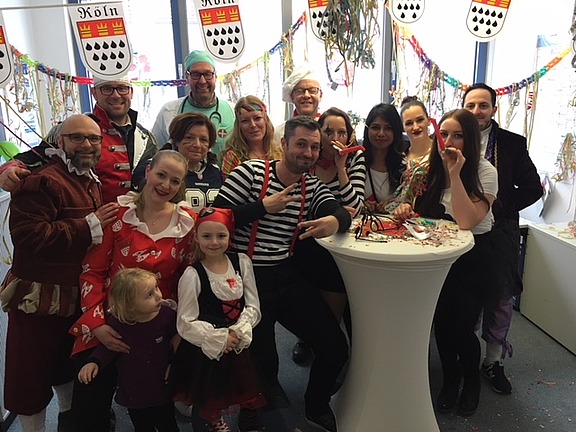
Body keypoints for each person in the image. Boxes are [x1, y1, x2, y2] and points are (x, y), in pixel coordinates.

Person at [213, 116, 351, 432]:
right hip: (245, 276)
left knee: (334, 346)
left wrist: (334, 221)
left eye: (314, 147)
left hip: (286, 273)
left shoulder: (311, 185)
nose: (308, 153)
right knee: (259, 355)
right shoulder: (250, 173)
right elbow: (214, 218)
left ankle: (316, 405)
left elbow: (341, 211)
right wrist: (263, 207)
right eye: (301, 144)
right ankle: (252, 407)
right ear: (284, 144)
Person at [0, 115, 118, 432]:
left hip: (74, 294)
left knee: (65, 365)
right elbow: (29, 237)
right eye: (77, 138)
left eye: (94, 139)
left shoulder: (87, 179)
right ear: (60, 141)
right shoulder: (42, 180)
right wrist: (90, 225)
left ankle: (68, 422)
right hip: (38, 298)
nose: (87, 145)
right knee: (31, 375)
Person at [69, 150, 196, 432]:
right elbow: (92, 272)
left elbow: (188, 281)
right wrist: (97, 325)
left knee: (159, 407)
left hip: (161, 325)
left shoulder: (187, 223)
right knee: (88, 400)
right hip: (111, 320)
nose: (166, 185)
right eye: (161, 175)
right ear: (148, 171)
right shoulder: (118, 214)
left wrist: (180, 333)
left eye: (175, 181)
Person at [395, 109, 498, 416]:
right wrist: (407, 210)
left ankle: (471, 381)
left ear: (471, 139)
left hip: (473, 258)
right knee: (441, 323)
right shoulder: (430, 169)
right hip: (438, 259)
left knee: (462, 328)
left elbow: (466, 221)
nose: (449, 142)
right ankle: (450, 379)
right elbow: (424, 214)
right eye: (444, 134)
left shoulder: (485, 171)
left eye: (458, 135)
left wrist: (455, 173)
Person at [462, 83, 542, 395]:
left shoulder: (511, 143)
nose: (477, 111)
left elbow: (533, 188)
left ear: (494, 109)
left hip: (500, 230)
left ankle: (493, 361)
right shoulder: (453, 136)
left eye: (483, 105)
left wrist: (502, 206)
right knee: (464, 294)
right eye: (471, 105)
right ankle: (463, 354)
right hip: (462, 229)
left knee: (499, 295)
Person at [170, 207, 265, 432]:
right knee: (209, 392)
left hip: (239, 340)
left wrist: (239, 331)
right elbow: (185, 321)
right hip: (208, 348)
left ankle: (239, 418)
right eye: (207, 236)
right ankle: (211, 422)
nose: (214, 242)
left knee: (240, 383)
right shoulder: (193, 275)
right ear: (196, 237)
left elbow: (253, 304)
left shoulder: (242, 262)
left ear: (230, 236)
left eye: (221, 235)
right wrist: (220, 338)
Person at [0, 75, 158, 203]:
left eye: (122, 88)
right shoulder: (69, 130)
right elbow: (34, 157)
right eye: (107, 88)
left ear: (131, 92)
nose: (116, 95)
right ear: (94, 93)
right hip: (85, 225)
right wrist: (9, 169)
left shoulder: (146, 137)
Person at [291, 107, 366, 365]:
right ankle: (305, 337)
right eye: (329, 131)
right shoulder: (307, 157)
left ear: (349, 136)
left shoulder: (355, 160)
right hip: (306, 234)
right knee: (304, 286)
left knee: (335, 286)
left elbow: (356, 206)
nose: (335, 137)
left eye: (341, 132)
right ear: (319, 133)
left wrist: (341, 168)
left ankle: (327, 339)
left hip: (341, 237)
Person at [78, 268, 180, 432]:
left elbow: (178, 341)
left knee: (168, 425)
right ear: (130, 305)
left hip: (163, 387)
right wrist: (94, 362)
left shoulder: (168, 316)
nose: (158, 295)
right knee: (142, 427)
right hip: (134, 391)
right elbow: (108, 347)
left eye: (156, 288)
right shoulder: (119, 323)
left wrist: (174, 363)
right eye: (149, 294)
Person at [152, 50, 234, 164]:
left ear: (215, 76)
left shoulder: (233, 111)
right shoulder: (169, 111)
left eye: (207, 74)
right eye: (196, 74)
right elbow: (156, 155)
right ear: (187, 77)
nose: (202, 81)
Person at [163, 112, 223, 213]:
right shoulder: (161, 169)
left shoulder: (216, 171)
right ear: (176, 141)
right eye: (189, 138)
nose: (197, 145)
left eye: (203, 140)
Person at [221, 95, 282, 177]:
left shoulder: (280, 152)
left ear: (266, 120)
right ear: (239, 126)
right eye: (245, 121)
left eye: (257, 118)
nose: (253, 125)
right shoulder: (233, 157)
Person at [362, 103, 406, 213]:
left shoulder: (404, 166)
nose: (381, 133)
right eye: (375, 127)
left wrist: (394, 204)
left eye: (388, 128)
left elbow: (407, 203)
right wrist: (360, 204)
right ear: (367, 129)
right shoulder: (355, 162)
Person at [274, 64, 323, 142]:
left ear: (320, 96)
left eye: (312, 90)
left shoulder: (328, 130)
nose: (306, 95)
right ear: (292, 97)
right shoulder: (279, 133)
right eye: (300, 91)